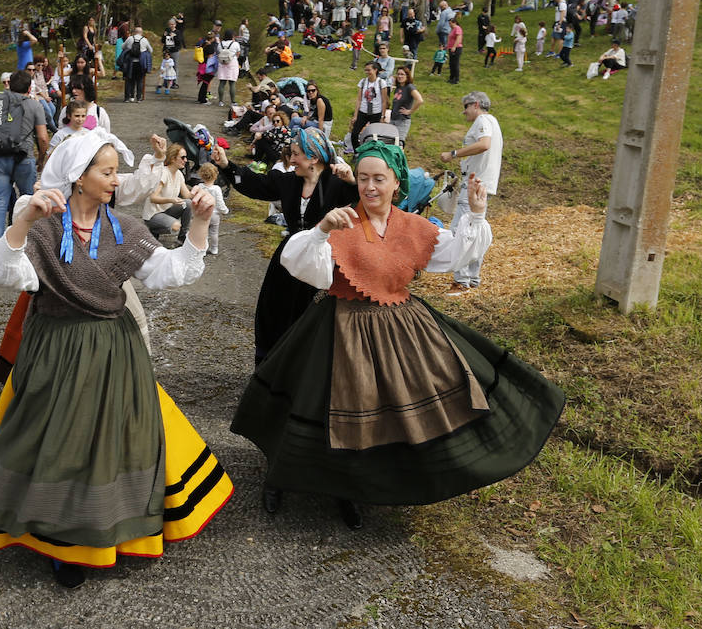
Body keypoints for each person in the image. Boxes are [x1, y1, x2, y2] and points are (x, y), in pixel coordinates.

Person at [229, 140, 564, 528]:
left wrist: (475, 213)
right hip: (340, 326)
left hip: (402, 325)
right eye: (364, 178)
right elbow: (301, 263)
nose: (370, 187)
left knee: (395, 409)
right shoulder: (343, 221)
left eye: (379, 179)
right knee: (314, 404)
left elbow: (457, 256)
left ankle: (353, 488)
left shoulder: (414, 227)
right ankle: (281, 478)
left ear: (396, 183)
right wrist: (321, 230)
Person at [0, 130, 231, 589]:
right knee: (56, 440)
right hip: (54, 348)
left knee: (116, 438)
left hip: (113, 347)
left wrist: (199, 225)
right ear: (78, 177)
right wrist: (23, 219)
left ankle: (113, 526)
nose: (115, 180)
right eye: (106, 172)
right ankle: (61, 540)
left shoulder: (125, 230)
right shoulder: (44, 227)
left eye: (114, 171)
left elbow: (170, 272)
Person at [210, 129, 358, 363]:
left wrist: (351, 179)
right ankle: (272, 365)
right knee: (275, 311)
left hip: (322, 262)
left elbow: (366, 200)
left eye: (296, 154)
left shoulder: (337, 184)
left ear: (314, 158)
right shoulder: (288, 181)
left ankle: (307, 371)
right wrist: (227, 165)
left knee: (312, 316)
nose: (291, 159)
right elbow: (255, 184)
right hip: (290, 257)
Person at [438, 92, 503, 295]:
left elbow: (484, 144)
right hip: (479, 181)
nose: (464, 111)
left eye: (466, 107)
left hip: (476, 183)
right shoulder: (493, 121)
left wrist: (453, 154)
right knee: (475, 229)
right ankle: (472, 279)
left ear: (476, 104)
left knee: (461, 230)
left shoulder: (483, 119)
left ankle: (462, 281)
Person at [0, 71, 49, 240]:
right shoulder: (35, 106)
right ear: (29, 88)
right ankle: (27, 239)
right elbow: (43, 138)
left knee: (0, 202)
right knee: (28, 199)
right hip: (24, 157)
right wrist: (41, 159)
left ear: (9, 85)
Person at [142, 144, 193, 244]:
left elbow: (187, 195)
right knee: (175, 225)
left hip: (166, 211)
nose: (186, 160)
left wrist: (201, 191)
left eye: (186, 157)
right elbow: (153, 198)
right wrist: (171, 200)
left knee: (188, 203)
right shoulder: (163, 173)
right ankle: (153, 231)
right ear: (173, 159)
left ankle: (182, 239)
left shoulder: (179, 174)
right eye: (183, 157)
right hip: (153, 215)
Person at [349, 63, 390, 151]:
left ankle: (370, 153)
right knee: (354, 133)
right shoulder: (363, 82)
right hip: (363, 112)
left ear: (375, 70)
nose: (367, 72)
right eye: (365, 70)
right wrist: (355, 115)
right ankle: (357, 151)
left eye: (369, 70)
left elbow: (384, 101)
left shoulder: (381, 83)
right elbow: (359, 99)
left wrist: (383, 116)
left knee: (373, 136)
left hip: (376, 113)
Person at [195, 163, 229, 255]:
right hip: (214, 214)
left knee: (203, 232)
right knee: (214, 232)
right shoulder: (217, 189)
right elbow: (220, 202)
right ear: (216, 175)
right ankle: (214, 248)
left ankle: (203, 249)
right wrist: (225, 210)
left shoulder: (200, 187)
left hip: (203, 213)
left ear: (201, 175)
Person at [389, 66, 423, 144]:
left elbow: (420, 100)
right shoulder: (399, 87)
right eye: (398, 74)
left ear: (407, 76)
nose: (399, 76)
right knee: (391, 142)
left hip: (402, 120)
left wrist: (410, 111)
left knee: (399, 143)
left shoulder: (409, 87)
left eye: (402, 74)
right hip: (393, 119)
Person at [214, 30, 242, 107]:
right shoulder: (235, 44)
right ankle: (233, 102)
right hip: (232, 64)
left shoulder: (220, 44)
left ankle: (220, 101)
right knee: (232, 83)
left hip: (222, 64)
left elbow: (218, 53)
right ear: (232, 36)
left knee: (222, 83)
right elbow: (238, 53)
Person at [446, 15, 464, 84]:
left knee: (455, 63)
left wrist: (454, 46)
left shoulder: (457, 28)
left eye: (450, 23)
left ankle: (456, 79)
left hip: (456, 48)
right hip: (451, 48)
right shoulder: (452, 29)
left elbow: (458, 38)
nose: (449, 25)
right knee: (451, 64)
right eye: (449, 23)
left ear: (454, 23)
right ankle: (451, 77)